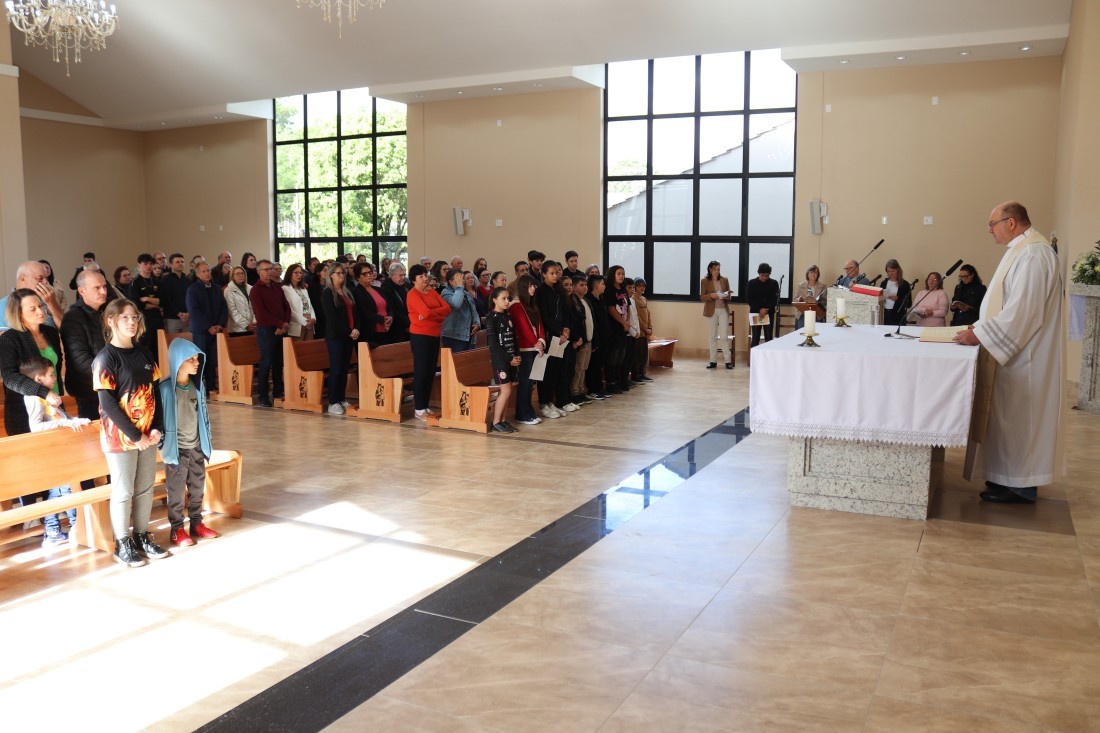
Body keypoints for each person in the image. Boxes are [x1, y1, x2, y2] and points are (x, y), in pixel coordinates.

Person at [953, 201, 1064, 504]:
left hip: (1026, 358)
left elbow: (1023, 311)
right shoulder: (1020, 250)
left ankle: (1021, 486)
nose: (989, 230)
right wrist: (980, 325)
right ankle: (1005, 478)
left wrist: (980, 334)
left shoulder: (1033, 254)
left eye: (992, 224)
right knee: (1005, 419)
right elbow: (1003, 304)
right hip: (1013, 354)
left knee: (1019, 420)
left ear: (1011, 222)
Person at [92, 298, 168, 567]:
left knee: (145, 488)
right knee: (124, 490)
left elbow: (156, 393)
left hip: (148, 435)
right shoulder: (105, 358)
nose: (132, 322)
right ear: (111, 321)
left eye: (134, 317)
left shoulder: (145, 353)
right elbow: (107, 403)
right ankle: (122, 542)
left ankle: (141, 536)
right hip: (121, 438)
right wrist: (137, 436)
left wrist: (158, 427)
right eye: (125, 317)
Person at [20, 354, 91, 545]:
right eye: (51, 374)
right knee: (64, 489)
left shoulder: (45, 397)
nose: (54, 378)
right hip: (50, 453)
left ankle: (55, 532)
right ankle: (74, 527)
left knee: (60, 490)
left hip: (60, 452)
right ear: (38, 379)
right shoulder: (34, 398)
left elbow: (60, 418)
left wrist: (73, 420)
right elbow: (36, 427)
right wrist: (65, 424)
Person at [158, 338, 221, 547]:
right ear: (178, 360)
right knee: (175, 492)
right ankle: (176, 529)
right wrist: (163, 446)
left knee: (197, 488)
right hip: (176, 451)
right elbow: (158, 421)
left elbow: (203, 415)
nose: (196, 363)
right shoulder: (165, 388)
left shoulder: (197, 385)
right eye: (190, 359)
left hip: (195, 447)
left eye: (196, 359)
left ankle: (196, 524)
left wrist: (206, 442)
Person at [1, 289, 65, 437]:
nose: (40, 311)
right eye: (33, 309)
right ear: (19, 314)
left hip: (54, 406)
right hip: (22, 412)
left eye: (40, 306)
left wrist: (55, 395)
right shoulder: (8, 339)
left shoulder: (51, 332)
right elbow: (10, 377)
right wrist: (44, 392)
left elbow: (57, 365)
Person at [60, 270, 109, 422]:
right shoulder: (73, 317)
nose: (103, 291)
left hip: (109, 384)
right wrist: (112, 376)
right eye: (97, 288)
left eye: (104, 287)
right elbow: (80, 360)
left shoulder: (106, 312)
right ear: (81, 291)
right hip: (88, 388)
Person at [406, 264, 451, 421]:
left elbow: (447, 308)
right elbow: (424, 312)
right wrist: (434, 315)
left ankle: (425, 405)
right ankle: (419, 408)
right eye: (421, 277)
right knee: (421, 372)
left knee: (430, 371)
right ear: (413, 280)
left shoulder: (432, 292)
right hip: (420, 336)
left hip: (434, 335)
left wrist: (432, 315)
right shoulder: (412, 294)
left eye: (426, 275)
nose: (425, 279)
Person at [535, 260, 575, 416]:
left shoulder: (559, 290)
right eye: (551, 273)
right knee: (546, 371)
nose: (555, 276)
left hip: (561, 337)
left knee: (557, 370)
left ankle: (552, 401)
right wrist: (559, 331)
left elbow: (565, 313)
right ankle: (543, 403)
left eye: (556, 272)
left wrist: (566, 330)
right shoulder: (541, 291)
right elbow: (545, 316)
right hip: (549, 335)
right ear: (544, 274)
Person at [249, 259, 290, 407]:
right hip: (266, 330)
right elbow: (261, 314)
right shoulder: (256, 290)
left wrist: (284, 323)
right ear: (259, 272)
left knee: (279, 362)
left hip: (281, 328)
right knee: (266, 362)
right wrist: (279, 323)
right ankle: (263, 395)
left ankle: (278, 392)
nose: (270, 272)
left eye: (271, 269)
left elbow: (286, 307)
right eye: (266, 269)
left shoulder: (277, 288)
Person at [320, 263, 360, 415]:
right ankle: (333, 402)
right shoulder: (327, 293)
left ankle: (341, 398)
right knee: (336, 369)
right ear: (330, 275)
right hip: (336, 336)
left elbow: (356, 313)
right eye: (337, 273)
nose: (341, 276)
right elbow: (332, 318)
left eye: (342, 273)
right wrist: (349, 331)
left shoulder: (347, 292)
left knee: (344, 369)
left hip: (349, 336)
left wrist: (356, 328)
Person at [509, 274, 546, 425]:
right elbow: (524, 329)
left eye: (535, 285)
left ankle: (528, 410)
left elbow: (539, 325)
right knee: (525, 382)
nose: (534, 288)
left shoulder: (531, 305)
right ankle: (521, 413)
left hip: (534, 348)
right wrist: (536, 344)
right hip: (525, 348)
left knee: (530, 383)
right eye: (531, 286)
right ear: (524, 287)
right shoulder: (516, 305)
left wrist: (542, 341)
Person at [185, 261, 227, 390]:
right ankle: (198, 388)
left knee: (213, 360)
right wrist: (208, 327)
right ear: (197, 274)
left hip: (216, 330)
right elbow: (194, 311)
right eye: (204, 271)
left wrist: (220, 324)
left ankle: (211, 387)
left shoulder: (216, 288)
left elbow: (223, 307)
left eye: (208, 270)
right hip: (201, 332)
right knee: (200, 361)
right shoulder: (193, 290)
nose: (207, 273)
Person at [485, 286, 520, 433]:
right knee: (505, 391)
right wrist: (509, 358)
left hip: (512, 358)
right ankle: (496, 422)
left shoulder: (508, 316)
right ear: (495, 300)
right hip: (501, 361)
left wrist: (517, 355)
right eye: (503, 299)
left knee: (507, 391)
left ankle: (503, 420)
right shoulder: (491, 318)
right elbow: (493, 345)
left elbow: (514, 339)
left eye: (508, 298)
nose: (507, 302)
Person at [0, 260, 65, 330]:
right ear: (22, 279)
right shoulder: (4, 305)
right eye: (40, 278)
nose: (46, 282)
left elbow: (65, 331)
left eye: (46, 278)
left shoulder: (47, 299)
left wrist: (53, 304)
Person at [602, 265, 632, 393]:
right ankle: (611, 382)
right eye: (619, 273)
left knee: (621, 355)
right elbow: (611, 308)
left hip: (623, 327)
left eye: (623, 274)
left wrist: (627, 321)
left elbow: (628, 306)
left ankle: (620, 380)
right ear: (613, 275)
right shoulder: (609, 290)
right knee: (613, 356)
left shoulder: (623, 290)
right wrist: (622, 322)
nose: (621, 276)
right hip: (614, 327)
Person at [700, 260, 732, 369]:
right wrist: (711, 295)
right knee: (712, 337)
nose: (717, 271)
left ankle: (728, 361)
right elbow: (702, 297)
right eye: (715, 269)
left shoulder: (725, 280)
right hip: (711, 311)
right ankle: (713, 361)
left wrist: (727, 296)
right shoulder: (704, 281)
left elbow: (729, 297)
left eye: (718, 269)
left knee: (724, 337)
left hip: (723, 310)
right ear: (710, 269)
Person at [584, 273, 611, 399]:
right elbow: (593, 322)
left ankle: (599, 387)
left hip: (604, 337)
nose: (604, 286)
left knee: (600, 364)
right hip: (596, 337)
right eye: (602, 284)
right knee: (593, 364)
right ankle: (592, 389)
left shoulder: (601, 298)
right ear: (596, 285)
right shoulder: (589, 300)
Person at [352, 261, 392, 346]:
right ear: (358, 277)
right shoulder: (356, 292)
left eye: (370, 272)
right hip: (370, 331)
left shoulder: (378, 289)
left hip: (386, 329)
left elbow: (388, 306)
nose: (369, 275)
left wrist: (390, 316)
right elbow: (363, 312)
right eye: (365, 273)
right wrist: (383, 320)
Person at [441, 269, 479, 353]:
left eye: (462, 278)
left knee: (468, 363)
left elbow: (474, 311)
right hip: (454, 336)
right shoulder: (446, 292)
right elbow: (456, 304)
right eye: (459, 278)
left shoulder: (466, 293)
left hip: (469, 335)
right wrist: (459, 287)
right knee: (456, 364)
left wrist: (477, 323)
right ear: (451, 281)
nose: (461, 281)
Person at [130, 253, 163, 351]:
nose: (149, 266)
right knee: (146, 346)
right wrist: (155, 305)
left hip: (157, 319)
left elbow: (161, 301)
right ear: (139, 265)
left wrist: (147, 299)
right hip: (144, 319)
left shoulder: (156, 282)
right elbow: (136, 304)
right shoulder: (135, 282)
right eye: (145, 264)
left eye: (150, 264)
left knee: (159, 346)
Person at [570, 275, 594, 404]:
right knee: (578, 367)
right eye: (581, 285)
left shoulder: (586, 300)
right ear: (574, 287)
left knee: (584, 367)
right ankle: (574, 392)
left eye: (585, 285)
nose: (585, 287)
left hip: (588, 339)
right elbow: (577, 323)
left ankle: (581, 389)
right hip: (581, 340)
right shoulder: (574, 301)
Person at [747, 263, 780, 347]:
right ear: (759, 273)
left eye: (767, 276)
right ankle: (754, 359)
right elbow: (749, 299)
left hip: (768, 313)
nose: (764, 278)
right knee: (755, 338)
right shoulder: (751, 283)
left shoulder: (774, 283)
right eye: (762, 275)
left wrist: (766, 309)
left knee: (768, 338)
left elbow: (775, 299)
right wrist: (759, 309)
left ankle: (768, 359)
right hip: (755, 313)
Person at [282, 264, 316, 340]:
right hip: (297, 324)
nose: (299, 275)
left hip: (309, 322)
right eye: (296, 273)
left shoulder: (303, 288)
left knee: (309, 348)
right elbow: (289, 309)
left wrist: (313, 318)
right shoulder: (285, 288)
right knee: (298, 349)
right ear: (290, 274)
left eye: (300, 273)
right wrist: (304, 321)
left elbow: (309, 305)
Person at [379, 262, 411, 342]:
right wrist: (408, 321)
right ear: (391, 275)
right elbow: (391, 309)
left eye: (404, 275)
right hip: (396, 328)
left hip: (411, 325)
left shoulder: (407, 286)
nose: (403, 277)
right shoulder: (385, 289)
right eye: (400, 275)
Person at [160, 253, 191, 334]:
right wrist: (179, 314)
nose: (180, 263)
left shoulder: (187, 281)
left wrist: (188, 314)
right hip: (172, 319)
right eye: (177, 262)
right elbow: (165, 300)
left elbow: (191, 299)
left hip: (187, 319)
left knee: (187, 345)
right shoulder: (165, 280)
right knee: (172, 344)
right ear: (171, 265)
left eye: (182, 262)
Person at [632, 277, 654, 382]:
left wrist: (650, 327)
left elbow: (648, 314)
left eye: (643, 286)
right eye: (639, 286)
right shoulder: (633, 299)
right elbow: (637, 317)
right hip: (639, 332)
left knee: (644, 355)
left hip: (645, 332)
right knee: (637, 355)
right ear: (635, 287)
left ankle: (642, 373)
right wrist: (645, 328)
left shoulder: (644, 299)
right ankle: (636, 375)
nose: (642, 288)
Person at [224, 265, 256, 335]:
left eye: (242, 273)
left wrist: (254, 322)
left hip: (252, 327)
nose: (241, 275)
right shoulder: (228, 290)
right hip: (236, 329)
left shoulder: (251, 288)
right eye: (237, 274)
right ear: (233, 276)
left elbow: (256, 306)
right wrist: (246, 324)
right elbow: (232, 311)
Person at [880, 259, 911, 326]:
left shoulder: (905, 284)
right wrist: (882, 297)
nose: (890, 273)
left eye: (893, 271)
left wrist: (898, 299)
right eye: (888, 271)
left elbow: (909, 304)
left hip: (898, 315)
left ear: (898, 270)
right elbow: (879, 298)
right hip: (884, 313)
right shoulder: (884, 283)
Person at [795, 265, 828, 330]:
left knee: (816, 334)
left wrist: (817, 302)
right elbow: (795, 299)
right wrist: (799, 299)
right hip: (803, 314)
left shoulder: (823, 286)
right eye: (811, 272)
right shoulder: (801, 285)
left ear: (818, 274)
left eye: (815, 272)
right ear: (808, 274)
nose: (813, 274)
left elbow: (825, 301)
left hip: (817, 314)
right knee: (801, 334)